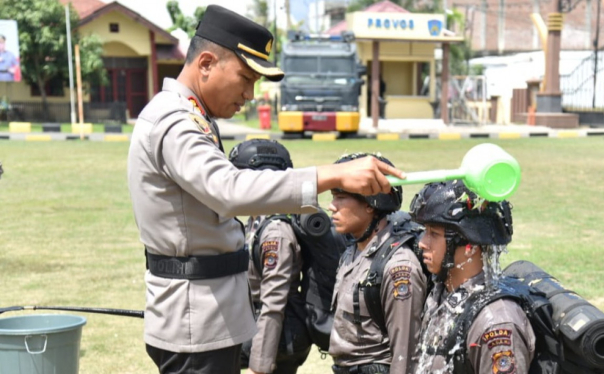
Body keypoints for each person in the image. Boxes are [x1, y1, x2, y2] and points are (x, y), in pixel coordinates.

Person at [126, 5, 405, 374]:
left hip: (207, 314)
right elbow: (229, 190)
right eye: (245, 77)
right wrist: (331, 176)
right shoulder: (175, 122)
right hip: (194, 322)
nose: (251, 93)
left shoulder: (190, 115)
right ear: (206, 63)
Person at [410, 181, 536, 374]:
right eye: (425, 232)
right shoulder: (444, 290)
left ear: (469, 247)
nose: (422, 243)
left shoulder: (495, 322)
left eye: (434, 234)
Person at [328, 153, 426, 374]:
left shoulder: (399, 266)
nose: (331, 206)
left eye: (340, 197)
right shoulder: (354, 247)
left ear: (371, 203)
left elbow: (406, 352)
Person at [229, 139, 312, 374]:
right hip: (260, 323)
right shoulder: (257, 220)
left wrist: (259, 366)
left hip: (279, 332)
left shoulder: (275, 233)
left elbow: (274, 303)